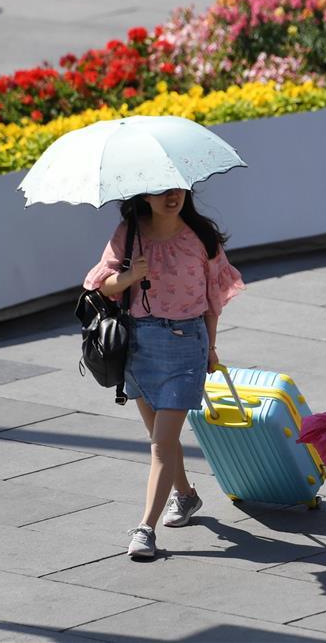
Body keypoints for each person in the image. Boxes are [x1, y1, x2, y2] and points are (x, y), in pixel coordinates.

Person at [84, 188, 243, 559]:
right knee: (161, 437)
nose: (171, 197)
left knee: (160, 444)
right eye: (160, 191)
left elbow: (213, 302)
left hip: (187, 344)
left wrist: (212, 348)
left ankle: (145, 529)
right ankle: (186, 496)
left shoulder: (203, 238)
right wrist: (128, 276)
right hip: (139, 346)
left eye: (177, 189)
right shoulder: (129, 232)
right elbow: (101, 286)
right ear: (145, 197)